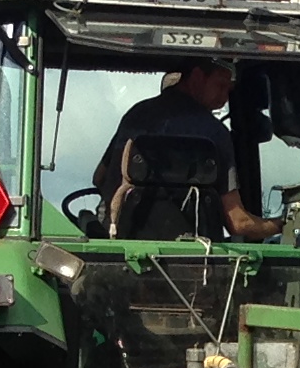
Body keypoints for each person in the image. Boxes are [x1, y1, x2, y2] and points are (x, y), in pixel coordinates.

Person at [94, 58, 278, 241]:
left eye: (228, 91)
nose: (224, 98)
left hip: (120, 243)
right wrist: (284, 224)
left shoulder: (136, 116)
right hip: (197, 258)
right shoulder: (215, 133)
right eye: (220, 86)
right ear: (197, 77)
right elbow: (238, 222)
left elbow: (99, 177)